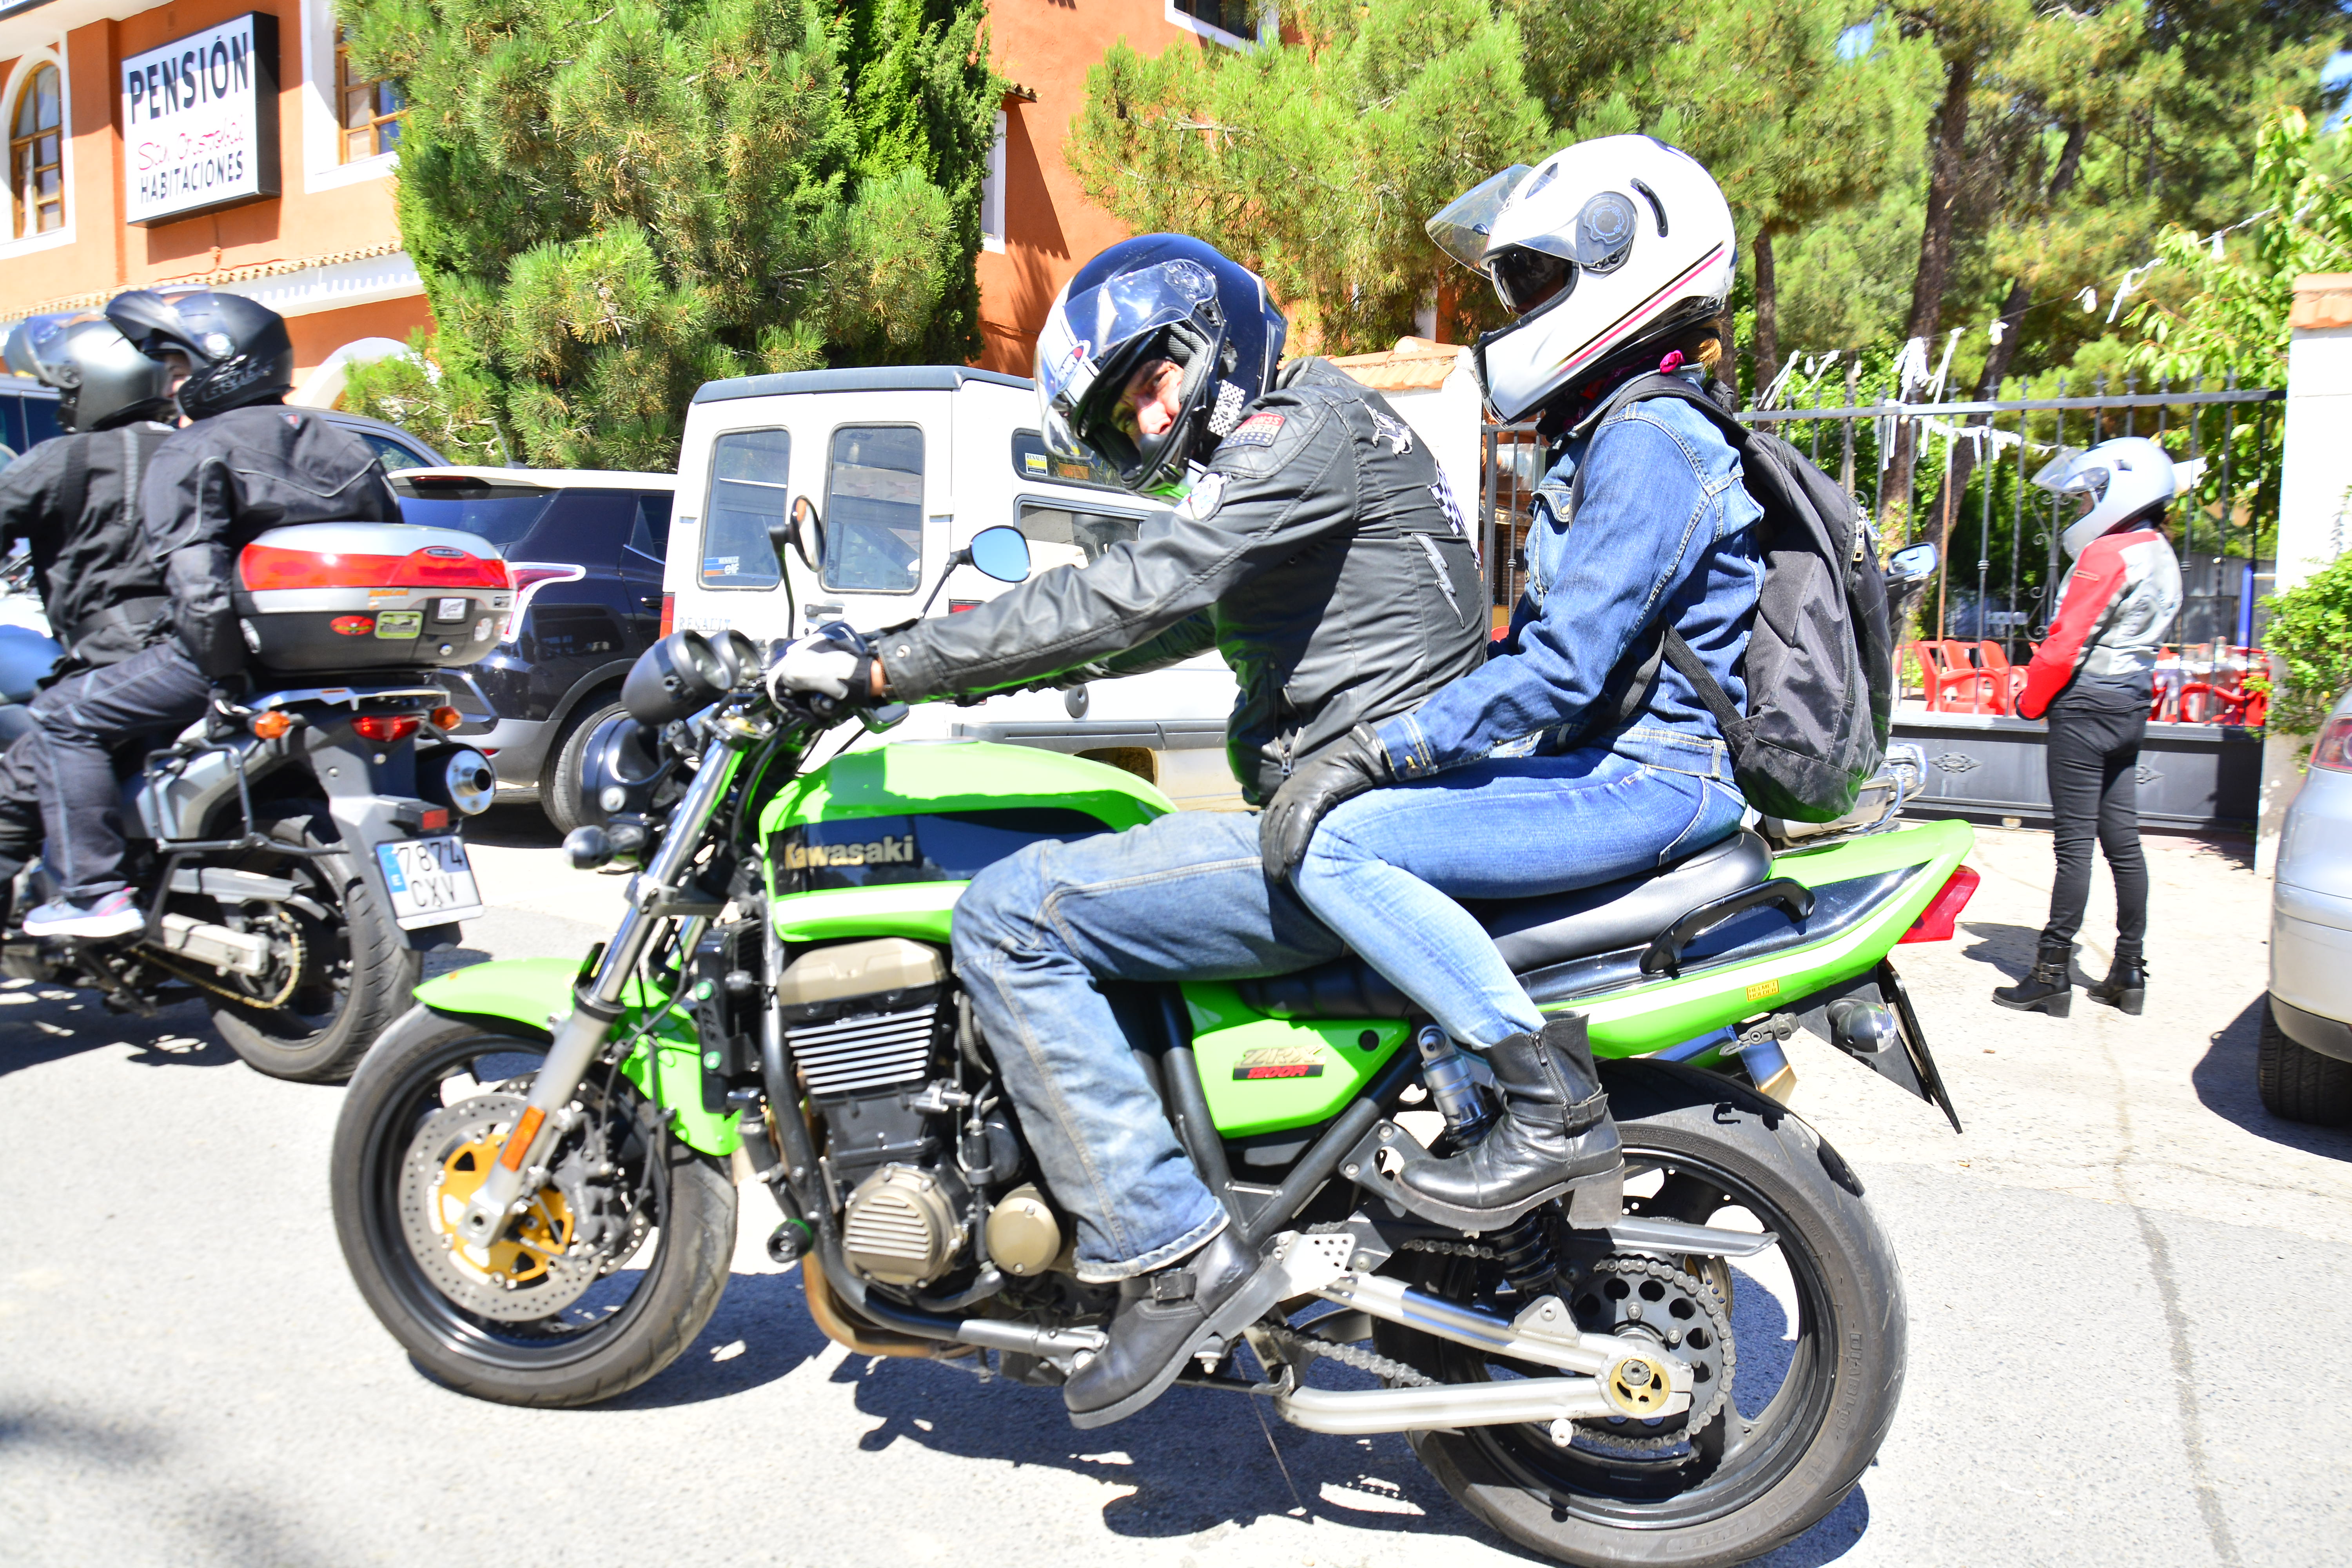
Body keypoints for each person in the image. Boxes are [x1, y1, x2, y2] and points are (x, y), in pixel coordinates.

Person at [768, 233, 1487, 1428]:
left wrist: (889, 667)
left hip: (1353, 832)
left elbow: (1141, 586)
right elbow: (1135, 623)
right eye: (1128, 414)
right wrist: (947, 663)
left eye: (1154, 381)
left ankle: (1169, 1251)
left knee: (1012, 915)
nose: (1153, 420)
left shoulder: (1298, 427)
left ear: (1215, 337)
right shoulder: (1315, 444)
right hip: (1373, 812)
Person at [1257, 135, 1761, 1214]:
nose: (1517, 313)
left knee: (1342, 845)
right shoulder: (1617, 431)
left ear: (1621, 260)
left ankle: (1547, 1110)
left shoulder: (1652, 440)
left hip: (1653, 779)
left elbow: (1563, 668)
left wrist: (1382, 748)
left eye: (1536, 280)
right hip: (1618, 768)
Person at [9, 290, 401, 938]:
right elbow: (384, 556)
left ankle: (93, 892)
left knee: (60, 717)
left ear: (223, 363)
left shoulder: (195, 449)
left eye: (181, 366)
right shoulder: (344, 444)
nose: (173, 383)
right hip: (334, 672)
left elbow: (199, 589)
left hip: (229, 658)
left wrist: (223, 679)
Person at [0, 313, 184, 914]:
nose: (62, 406)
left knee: (13, 795)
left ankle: (90, 897)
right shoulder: (195, 449)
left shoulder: (64, 459)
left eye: (65, 392)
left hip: (114, 661)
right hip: (208, 652)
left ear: (92, 385)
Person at [1994, 437, 2182, 1017]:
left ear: (2120, 492)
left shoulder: (2110, 553)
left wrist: (2031, 701)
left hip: (2085, 707)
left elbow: (2066, 643)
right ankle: (2130, 969)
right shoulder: (2163, 554)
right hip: (2130, 704)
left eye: (2086, 498)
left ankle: (2051, 974)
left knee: (2074, 846)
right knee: (2123, 841)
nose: (2081, 508)